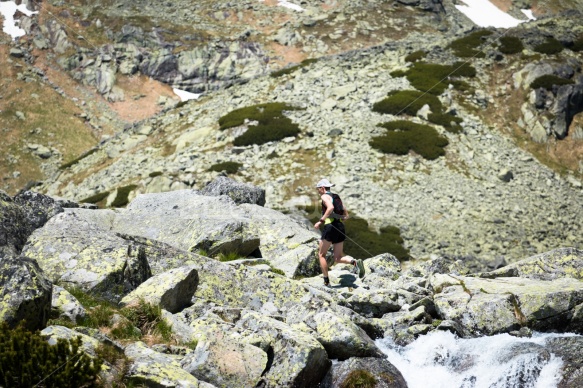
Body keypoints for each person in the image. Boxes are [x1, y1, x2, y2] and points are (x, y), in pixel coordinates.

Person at [314, 178, 365, 286]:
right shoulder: (336, 197)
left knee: (321, 255)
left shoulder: (324, 196)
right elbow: (345, 214)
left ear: (322, 188)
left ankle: (326, 282)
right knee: (337, 257)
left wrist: (320, 221)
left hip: (330, 226)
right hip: (340, 227)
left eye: (318, 189)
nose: (318, 191)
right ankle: (355, 262)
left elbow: (330, 208)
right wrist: (341, 218)